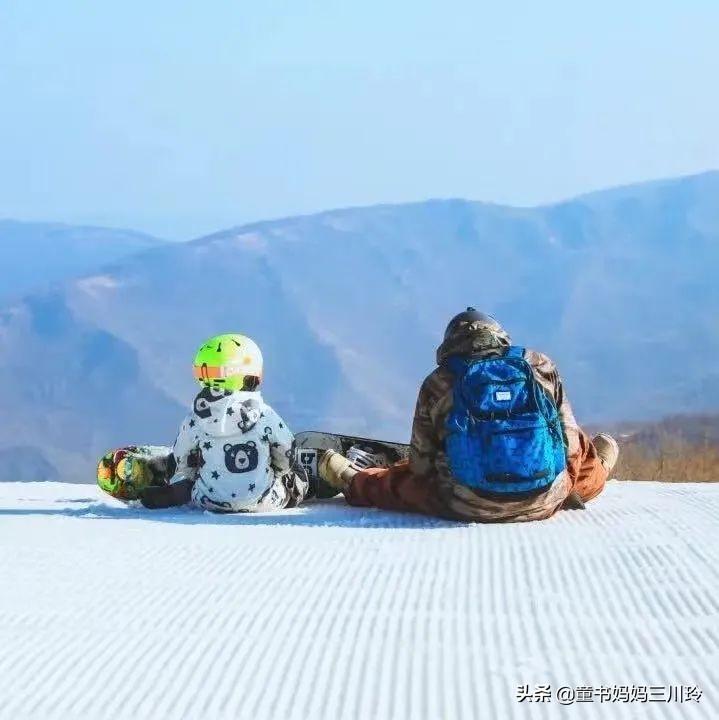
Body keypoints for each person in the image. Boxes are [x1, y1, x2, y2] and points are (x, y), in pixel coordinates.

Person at [319, 309, 618, 523]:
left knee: (403, 486)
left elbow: (422, 467)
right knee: (578, 449)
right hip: (546, 500)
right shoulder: (539, 366)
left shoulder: (438, 383)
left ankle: (354, 479)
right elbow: (570, 446)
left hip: (465, 504)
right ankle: (601, 467)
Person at [138, 333, 309, 512]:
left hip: (207, 500)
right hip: (263, 501)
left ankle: (170, 493)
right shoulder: (265, 414)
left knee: (198, 484)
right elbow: (286, 453)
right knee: (297, 477)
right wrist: (278, 472)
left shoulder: (195, 418)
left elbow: (182, 460)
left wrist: (199, 475)